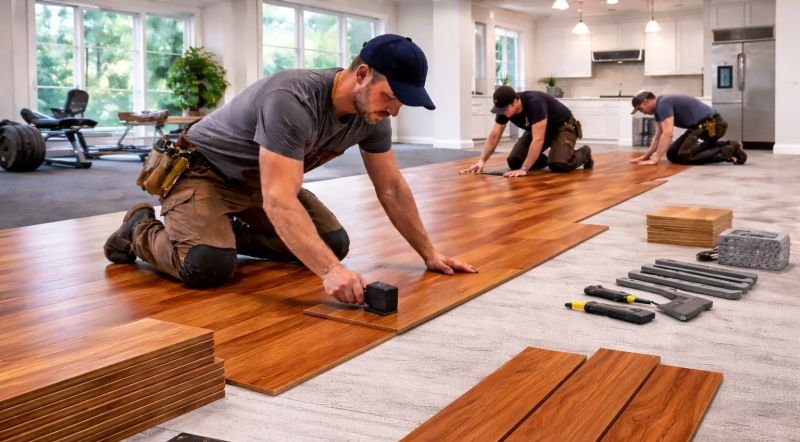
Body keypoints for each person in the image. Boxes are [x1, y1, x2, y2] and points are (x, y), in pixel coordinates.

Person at [104, 34, 477, 305]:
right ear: (362, 74)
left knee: (333, 245)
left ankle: (221, 232)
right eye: (391, 98)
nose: (394, 111)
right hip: (203, 174)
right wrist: (330, 273)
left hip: (260, 184)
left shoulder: (372, 117)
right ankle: (138, 228)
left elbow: (392, 188)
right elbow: (280, 199)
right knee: (207, 266)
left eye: (401, 104)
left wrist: (428, 253)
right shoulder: (292, 98)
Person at [462, 86, 593, 177]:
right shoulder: (504, 109)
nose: (503, 113)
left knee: (558, 165)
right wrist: (482, 160)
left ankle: (584, 154)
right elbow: (495, 134)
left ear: (516, 101)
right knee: (514, 161)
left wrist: (524, 169)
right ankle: (551, 158)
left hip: (562, 127)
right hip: (538, 130)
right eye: (500, 110)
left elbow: (538, 139)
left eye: (505, 109)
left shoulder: (535, 102)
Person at [629, 90, 747, 166]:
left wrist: (655, 159)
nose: (642, 112)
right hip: (698, 128)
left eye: (640, 109)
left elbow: (668, 134)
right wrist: (647, 156)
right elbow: (659, 135)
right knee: (672, 154)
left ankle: (730, 148)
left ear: (646, 102)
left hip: (712, 125)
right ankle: (723, 146)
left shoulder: (663, 104)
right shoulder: (658, 109)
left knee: (686, 155)